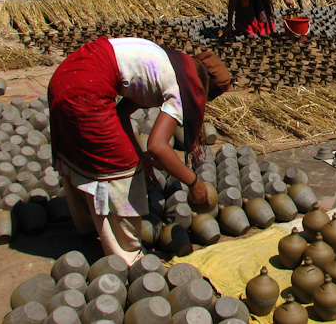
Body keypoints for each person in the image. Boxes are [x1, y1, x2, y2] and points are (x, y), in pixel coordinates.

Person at [48, 37, 230, 264]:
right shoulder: (184, 86)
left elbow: (122, 114)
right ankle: (127, 256)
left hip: (68, 75)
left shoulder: (170, 63)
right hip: (86, 90)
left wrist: (140, 157)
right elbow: (157, 146)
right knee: (119, 167)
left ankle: (87, 224)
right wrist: (194, 183)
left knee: (86, 156)